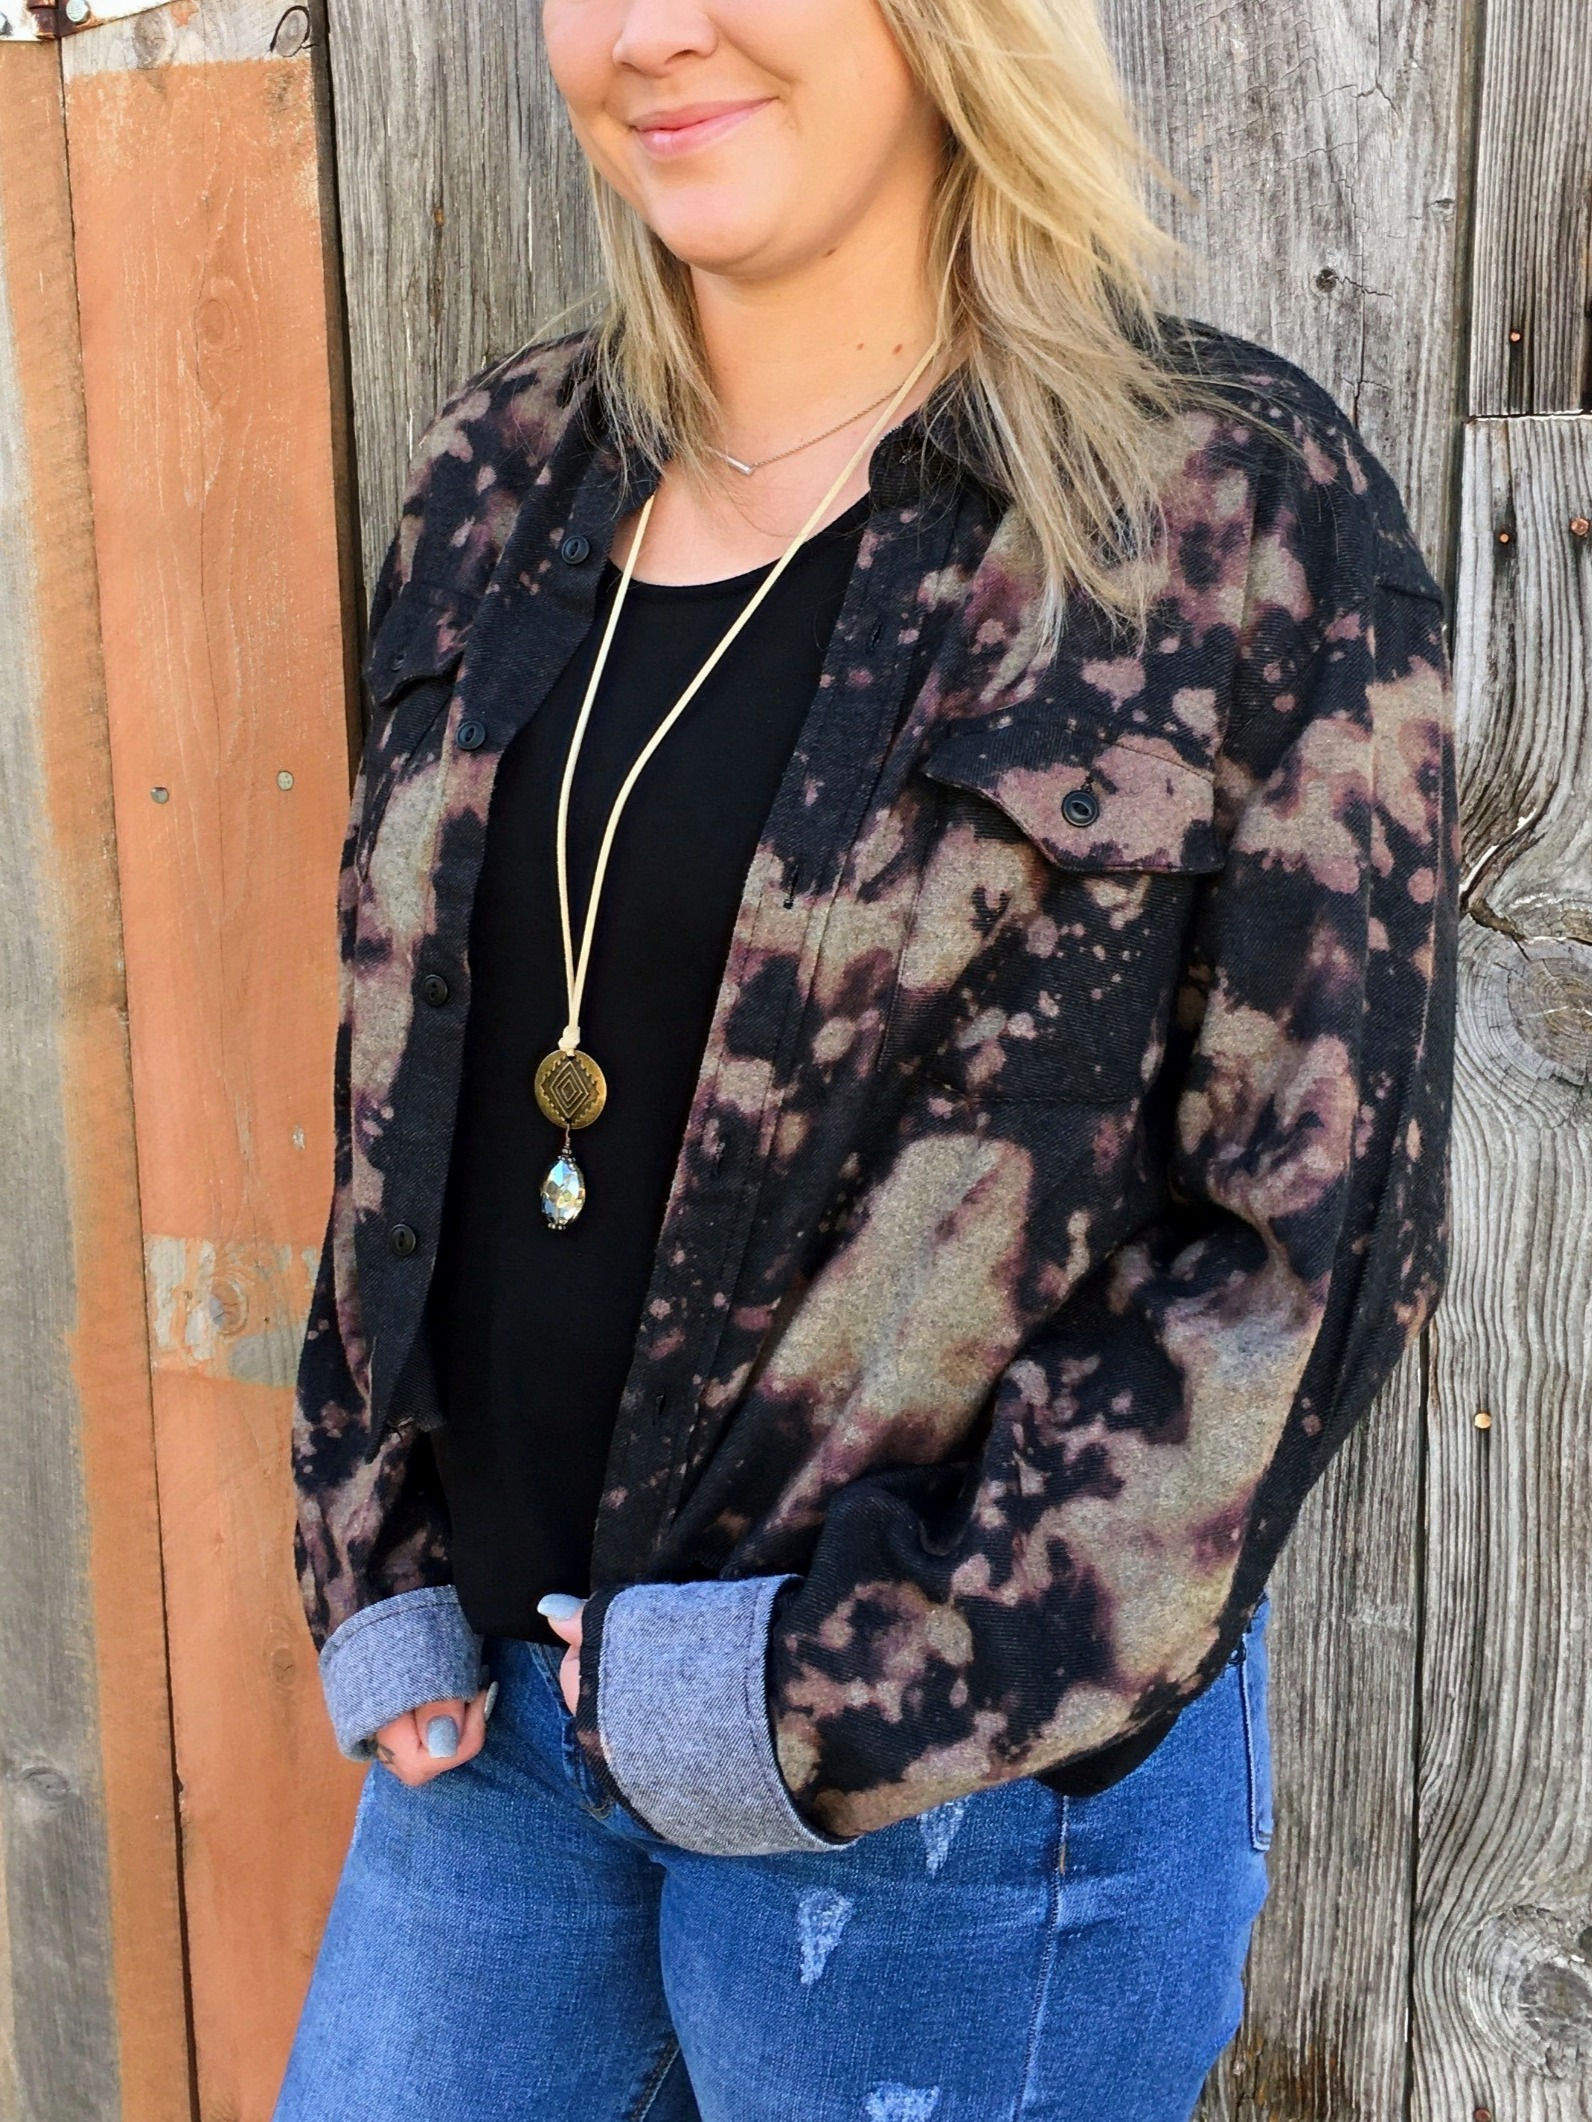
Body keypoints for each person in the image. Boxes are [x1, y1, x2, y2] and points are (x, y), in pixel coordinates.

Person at [276, 0, 1458, 2115]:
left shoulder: (1216, 504)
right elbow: (405, 1066)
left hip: (955, 1807)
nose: (648, 34)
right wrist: (368, 1540)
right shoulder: (497, 476)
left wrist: (834, 1690)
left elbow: (1310, 1244)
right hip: (498, 1735)